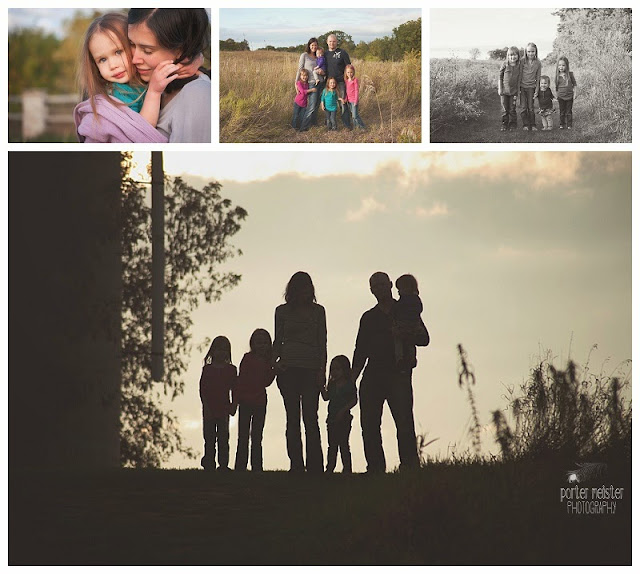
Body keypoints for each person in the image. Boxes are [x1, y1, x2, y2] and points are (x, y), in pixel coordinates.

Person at [352, 272, 430, 474]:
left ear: (390, 285)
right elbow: (360, 350)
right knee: (369, 426)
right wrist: (352, 378)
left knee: (404, 423)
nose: (378, 288)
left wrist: (406, 333)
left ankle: (409, 467)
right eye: (374, 286)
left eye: (381, 284)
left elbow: (424, 338)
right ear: (371, 291)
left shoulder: (405, 308)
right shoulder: (368, 317)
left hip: (399, 374)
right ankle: (376, 468)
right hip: (373, 375)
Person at [74, 12, 180, 143]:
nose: (113, 65)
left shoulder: (141, 79)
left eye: (118, 52)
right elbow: (142, 130)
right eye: (102, 59)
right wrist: (154, 92)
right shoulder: (117, 94)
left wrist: (196, 59)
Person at [128, 8, 211, 142]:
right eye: (131, 44)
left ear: (181, 50)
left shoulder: (197, 95)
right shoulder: (146, 82)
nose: (134, 59)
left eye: (147, 51)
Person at [273, 272, 327, 473]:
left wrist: (322, 370)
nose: (304, 292)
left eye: (307, 287)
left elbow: (323, 342)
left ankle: (315, 466)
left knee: (311, 418)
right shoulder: (282, 311)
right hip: (288, 370)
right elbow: (278, 340)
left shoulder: (318, 312)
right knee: (292, 418)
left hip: (311, 369)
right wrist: (274, 362)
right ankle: (296, 464)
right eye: (300, 288)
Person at [233, 329, 276, 472]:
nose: (262, 345)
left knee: (257, 437)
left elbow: (267, 382)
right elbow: (241, 379)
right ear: (253, 344)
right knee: (243, 436)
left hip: (260, 403)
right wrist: (237, 399)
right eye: (258, 342)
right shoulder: (247, 358)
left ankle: (257, 467)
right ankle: (240, 467)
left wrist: (273, 369)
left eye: (264, 342)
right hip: (245, 401)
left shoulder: (268, 361)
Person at [199, 336, 237, 471]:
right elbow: (203, 390)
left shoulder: (231, 370)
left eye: (224, 349)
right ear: (213, 351)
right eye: (218, 349)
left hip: (224, 409)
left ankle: (223, 465)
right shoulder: (207, 369)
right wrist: (206, 408)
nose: (221, 352)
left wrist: (234, 405)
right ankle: (209, 462)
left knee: (223, 438)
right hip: (210, 409)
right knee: (209, 439)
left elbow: (235, 389)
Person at [320, 355, 357, 473]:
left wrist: (344, 410)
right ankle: (330, 467)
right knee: (332, 445)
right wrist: (321, 387)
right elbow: (326, 397)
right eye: (333, 369)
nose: (335, 372)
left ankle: (347, 468)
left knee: (343, 444)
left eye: (338, 369)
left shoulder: (349, 385)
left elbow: (354, 400)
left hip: (344, 419)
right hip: (331, 419)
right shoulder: (332, 385)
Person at [392, 274, 424, 373]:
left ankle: (400, 359)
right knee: (410, 344)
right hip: (413, 325)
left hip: (405, 324)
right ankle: (411, 358)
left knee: (398, 341)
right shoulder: (415, 300)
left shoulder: (403, 301)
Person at [296, 38, 324, 132]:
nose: (314, 47)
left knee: (316, 105)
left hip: (321, 82)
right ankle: (303, 127)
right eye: (312, 45)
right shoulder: (304, 55)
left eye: (315, 45)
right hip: (312, 83)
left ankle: (313, 123)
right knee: (311, 106)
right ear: (309, 45)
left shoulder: (319, 56)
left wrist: (323, 72)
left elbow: (324, 69)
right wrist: (296, 82)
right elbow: (300, 69)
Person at [325, 34, 352, 129]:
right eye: (330, 41)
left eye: (334, 41)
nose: (332, 43)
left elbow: (349, 67)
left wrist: (349, 79)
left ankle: (347, 124)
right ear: (327, 42)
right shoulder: (325, 54)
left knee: (343, 103)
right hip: (329, 84)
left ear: (337, 42)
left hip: (340, 82)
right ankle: (329, 123)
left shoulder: (342, 52)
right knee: (328, 102)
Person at [498, 46, 521, 132]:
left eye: (515, 55)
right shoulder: (505, 64)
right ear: (508, 56)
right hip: (504, 92)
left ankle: (513, 124)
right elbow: (500, 77)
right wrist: (500, 88)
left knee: (512, 109)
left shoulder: (519, 66)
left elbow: (519, 79)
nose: (513, 57)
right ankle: (504, 124)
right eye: (511, 55)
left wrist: (518, 90)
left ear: (518, 56)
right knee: (505, 109)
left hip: (513, 92)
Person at [520, 42, 541, 131]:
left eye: (532, 51)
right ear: (526, 52)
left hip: (531, 88)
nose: (530, 53)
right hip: (522, 87)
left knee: (531, 108)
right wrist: (518, 89)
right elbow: (519, 75)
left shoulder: (538, 63)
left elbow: (538, 77)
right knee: (523, 107)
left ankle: (533, 125)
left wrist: (537, 90)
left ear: (536, 52)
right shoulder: (522, 61)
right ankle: (525, 124)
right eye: (529, 51)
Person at [555, 56, 577, 130]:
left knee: (568, 111)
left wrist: (575, 94)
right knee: (562, 111)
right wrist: (557, 95)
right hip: (561, 97)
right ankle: (562, 124)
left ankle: (569, 125)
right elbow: (557, 87)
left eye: (563, 65)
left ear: (567, 66)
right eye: (559, 65)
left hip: (569, 96)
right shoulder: (557, 76)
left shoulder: (570, 74)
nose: (561, 67)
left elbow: (574, 84)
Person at [343, 64, 366, 129]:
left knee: (355, 115)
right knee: (353, 115)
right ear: (346, 73)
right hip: (349, 100)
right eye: (348, 72)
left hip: (354, 100)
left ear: (353, 72)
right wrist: (346, 98)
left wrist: (356, 100)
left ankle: (362, 127)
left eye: (351, 72)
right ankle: (356, 126)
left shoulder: (355, 80)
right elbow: (347, 91)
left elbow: (356, 90)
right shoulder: (346, 81)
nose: (349, 74)